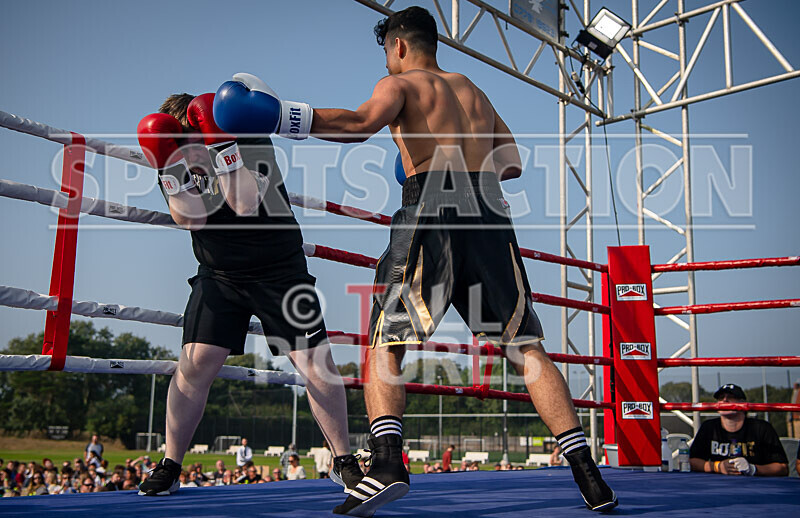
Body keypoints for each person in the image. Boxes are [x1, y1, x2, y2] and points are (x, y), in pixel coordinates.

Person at [212, 5, 617, 516]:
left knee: (386, 340)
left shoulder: (401, 85)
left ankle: (386, 464)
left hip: (432, 205)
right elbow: (511, 159)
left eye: (387, 54)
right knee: (526, 348)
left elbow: (358, 125)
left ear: (399, 46)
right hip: (490, 212)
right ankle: (589, 475)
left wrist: (278, 115)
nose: (386, 65)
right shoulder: (471, 88)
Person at [135, 93, 363, 497]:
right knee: (194, 365)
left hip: (280, 269)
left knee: (316, 361)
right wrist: (169, 163)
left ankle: (343, 460)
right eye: (177, 143)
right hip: (220, 275)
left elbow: (244, 201)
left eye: (190, 139)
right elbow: (189, 217)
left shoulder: (245, 137)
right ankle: (170, 464)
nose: (187, 149)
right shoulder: (170, 158)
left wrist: (221, 145)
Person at [689, 383, 789, 477]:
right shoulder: (709, 427)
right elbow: (692, 461)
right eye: (720, 398)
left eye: (731, 397)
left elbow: (782, 468)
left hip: (756, 486)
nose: (724, 400)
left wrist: (753, 469)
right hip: (718, 486)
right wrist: (717, 466)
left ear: (742, 403)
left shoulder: (761, 428)